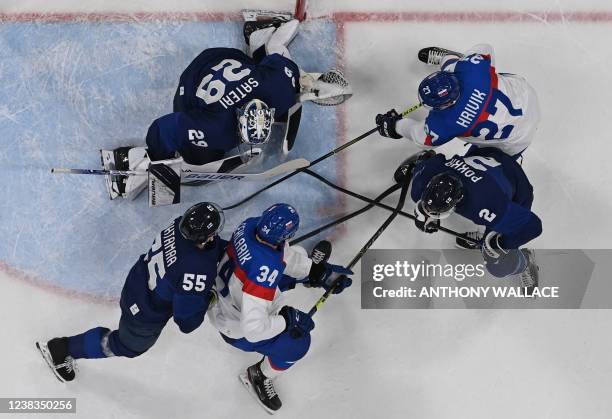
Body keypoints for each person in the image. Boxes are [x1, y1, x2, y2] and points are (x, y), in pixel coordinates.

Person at [104, 17, 351, 200]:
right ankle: (134, 159)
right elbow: (164, 127)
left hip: (228, 57)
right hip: (197, 74)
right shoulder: (215, 128)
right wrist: (155, 158)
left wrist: (307, 84)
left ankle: (258, 38)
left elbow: (280, 59)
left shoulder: (279, 87)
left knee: (266, 69)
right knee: (199, 156)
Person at [36, 202, 226, 382]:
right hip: (145, 312)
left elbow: (204, 250)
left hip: (137, 281)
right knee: (126, 346)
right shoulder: (195, 269)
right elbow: (187, 322)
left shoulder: (179, 224)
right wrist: (208, 298)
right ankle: (62, 349)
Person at [208, 203, 352, 413]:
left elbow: (282, 256)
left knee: (297, 253)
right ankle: (258, 375)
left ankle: (309, 275)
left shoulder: (249, 226)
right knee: (298, 342)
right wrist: (288, 320)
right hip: (236, 326)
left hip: (230, 294)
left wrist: (316, 271)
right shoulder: (265, 270)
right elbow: (254, 330)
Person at [400, 148, 542, 290]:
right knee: (416, 193)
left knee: (499, 267)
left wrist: (500, 243)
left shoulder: (485, 205)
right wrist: (425, 211)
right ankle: (483, 239)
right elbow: (428, 160)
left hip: (516, 182)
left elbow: (533, 226)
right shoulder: (427, 175)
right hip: (485, 154)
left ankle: (525, 262)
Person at [376, 44, 540, 158]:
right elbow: (485, 48)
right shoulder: (473, 69)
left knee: (473, 166)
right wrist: (456, 62)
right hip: (527, 95)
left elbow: (421, 138)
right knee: (487, 74)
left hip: (517, 142)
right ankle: (452, 60)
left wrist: (395, 126)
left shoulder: (445, 123)